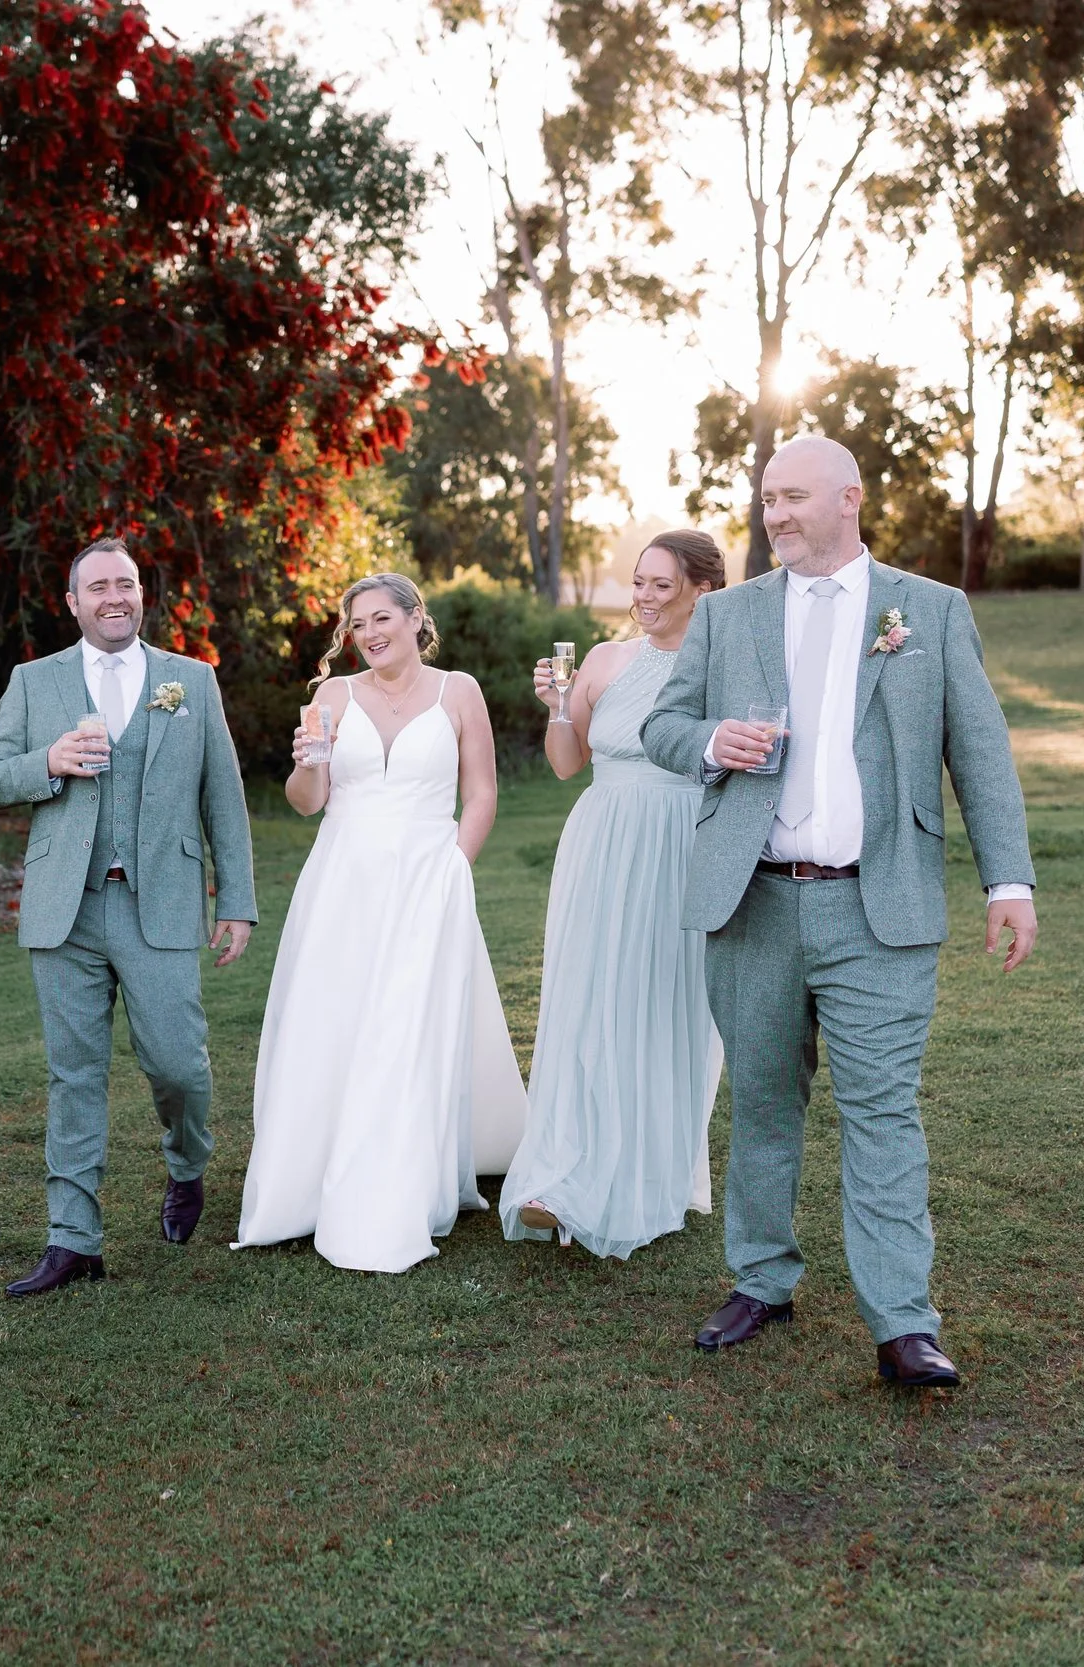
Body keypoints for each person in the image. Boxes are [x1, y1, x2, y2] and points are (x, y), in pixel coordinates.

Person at [641, 435, 1037, 1388]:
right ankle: (762, 1280)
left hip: (880, 907)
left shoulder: (929, 612)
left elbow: (978, 750)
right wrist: (710, 741)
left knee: (883, 1112)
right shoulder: (728, 614)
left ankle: (903, 1323)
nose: (773, 515)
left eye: (791, 498)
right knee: (764, 1100)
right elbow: (661, 726)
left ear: (850, 497)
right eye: (766, 500)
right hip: (755, 902)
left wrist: (1008, 882)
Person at [0, 537, 259, 1296]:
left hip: (160, 902)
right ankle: (74, 1239)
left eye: (125, 583)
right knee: (75, 1075)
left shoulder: (190, 680)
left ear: (141, 594)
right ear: (73, 602)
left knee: (177, 1065)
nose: (113, 596)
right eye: (97, 586)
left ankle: (186, 1163)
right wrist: (49, 763)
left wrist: (238, 901)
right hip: (67, 908)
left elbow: (224, 795)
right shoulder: (35, 682)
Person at [233, 573, 528, 1272]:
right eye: (357, 623)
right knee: (335, 1020)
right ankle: (308, 1180)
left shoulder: (460, 691)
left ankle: (396, 1180)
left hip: (431, 872)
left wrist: (456, 865)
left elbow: (481, 791)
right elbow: (307, 801)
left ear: (414, 617)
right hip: (344, 879)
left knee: (407, 1022)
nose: (368, 633)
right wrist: (311, 765)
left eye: (381, 618)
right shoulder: (331, 696)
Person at [501, 532, 727, 1260]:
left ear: (701, 588)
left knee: (666, 1003)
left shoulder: (722, 663)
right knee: (588, 999)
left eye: (662, 585)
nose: (645, 598)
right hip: (602, 840)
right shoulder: (603, 660)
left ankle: (652, 1170)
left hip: (682, 843)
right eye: (639, 583)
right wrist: (558, 706)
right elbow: (568, 765)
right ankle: (562, 1177)